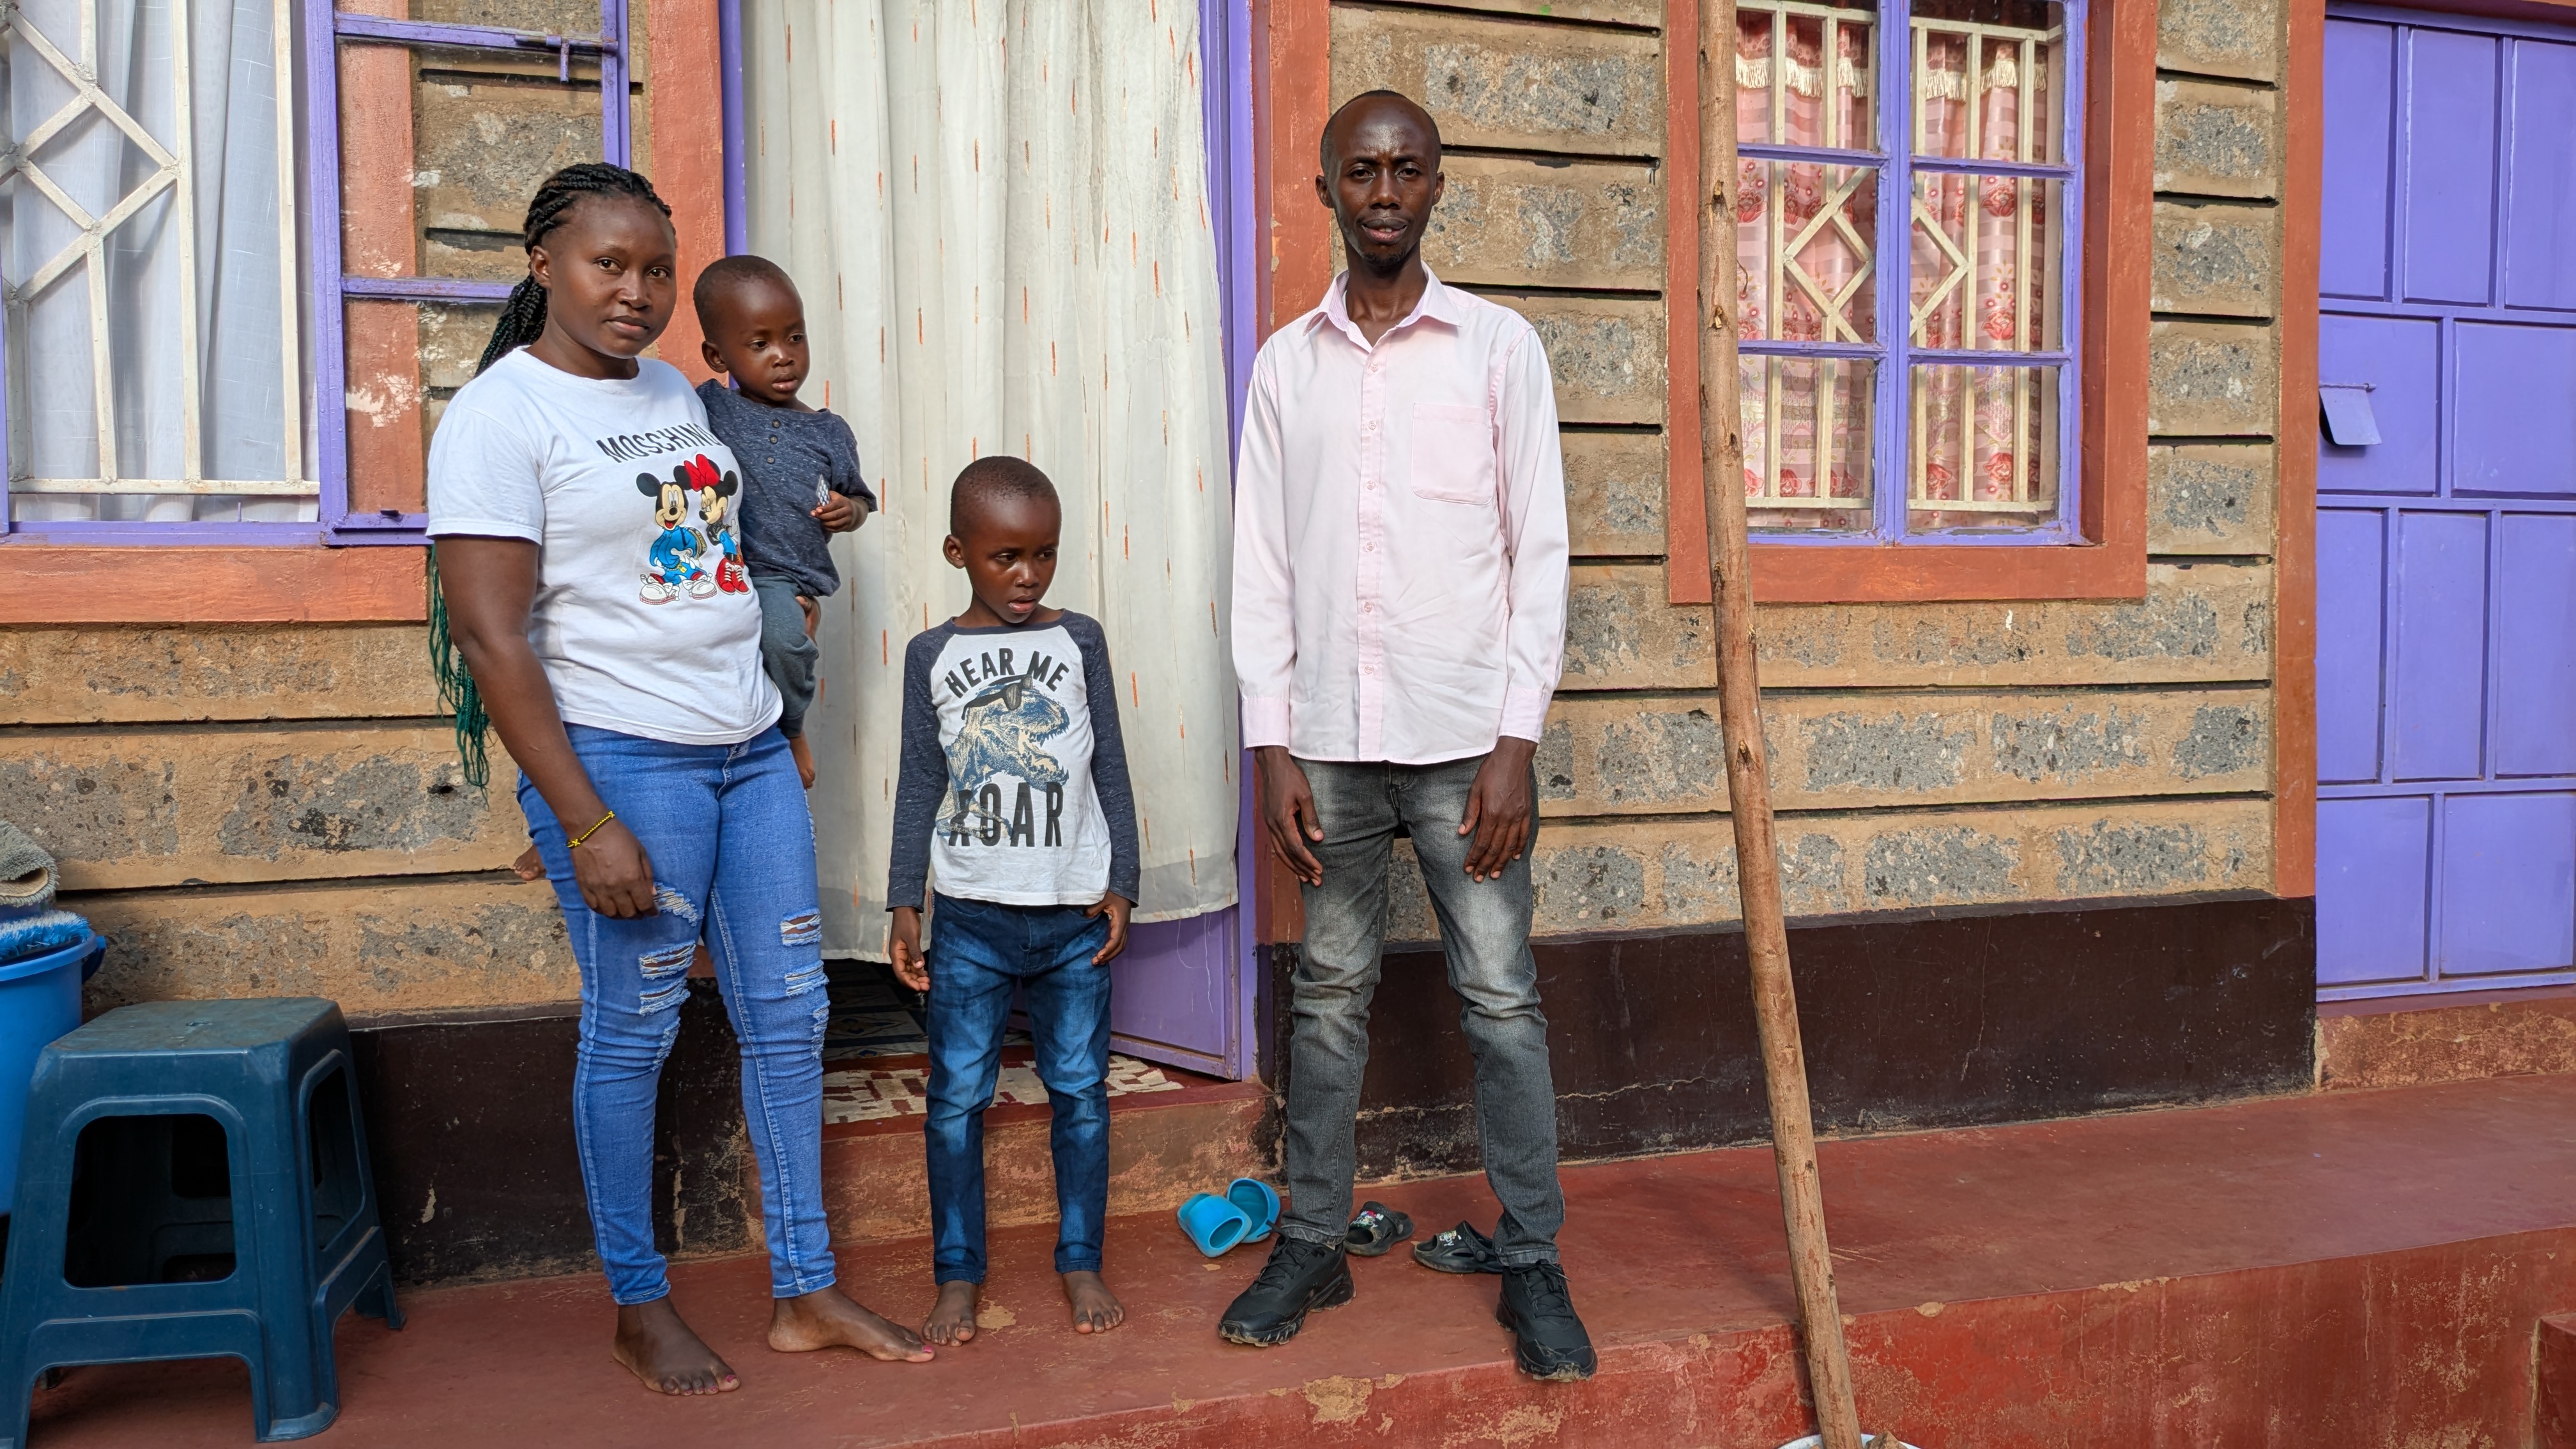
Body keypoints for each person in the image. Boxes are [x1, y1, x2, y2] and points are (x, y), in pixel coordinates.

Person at [427, 162, 932, 1397]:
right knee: (636, 1029)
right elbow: (496, 641)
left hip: (747, 749)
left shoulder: (668, 388)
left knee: (791, 1014)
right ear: (543, 262)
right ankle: (637, 1302)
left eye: (657, 270)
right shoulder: (499, 418)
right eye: (610, 264)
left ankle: (803, 1289)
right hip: (621, 759)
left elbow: (712, 570)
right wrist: (583, 817)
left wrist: (779, 719)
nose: (637, 292)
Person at [1220, 91, 1593, 1381]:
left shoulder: (1498, 351)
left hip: (1462, 744)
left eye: (1407, 171)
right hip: (1327, 745)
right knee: (1327, 1001)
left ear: (1440, 186)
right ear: (1325, 188)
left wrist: (1516, 740)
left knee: (1500, 999)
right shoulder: (1286, 366)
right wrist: (1272, 743)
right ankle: (1314, 1241)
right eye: (1360, 172)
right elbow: (1260, 565)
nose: (1384, 192)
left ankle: (1532, 1257)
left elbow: (1535, 554)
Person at [884, 457, 1138, 1346]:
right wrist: (902, 904)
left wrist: (1124, 884)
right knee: (956, 1100)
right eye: (1004, 558)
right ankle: (958, 1275)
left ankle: (1080, 1260)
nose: (1026, 576)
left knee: (1080, 1090)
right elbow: (921, 782)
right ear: (960, 552)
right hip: (971, 921)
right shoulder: (933, 656)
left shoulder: (1083, 642)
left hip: (1071, 918)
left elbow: (1109, 766)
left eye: (1044, 555)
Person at [693, 254, 877, 790]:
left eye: (794, 338)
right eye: (760, 344)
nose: (783, 357)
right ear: (716, 354)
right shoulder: (705, 407)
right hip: (716, 565)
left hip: (780, 576)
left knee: (784, 640)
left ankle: (791, 728)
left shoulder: (829, 432)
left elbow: (860, 500)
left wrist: (850, 511)